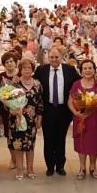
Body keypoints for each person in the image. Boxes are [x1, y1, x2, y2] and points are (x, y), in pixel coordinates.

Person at [34, 48, 80, 176]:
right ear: (48, 58)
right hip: (47, 110)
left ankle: (60, 165)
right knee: (48, 139)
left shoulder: (69, 70)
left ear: (62, 57)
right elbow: (31, 83)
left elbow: (80, 82)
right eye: (51, 57)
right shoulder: (41, 70)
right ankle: (49, 166)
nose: (54, 60)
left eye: (56, 57)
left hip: (64, 110)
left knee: (61, 139)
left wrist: (95, 78)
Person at [67, 59, 97, 180]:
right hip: (81, 119)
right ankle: (82, 167)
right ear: (81, 71)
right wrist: (76, 113)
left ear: (94, 70)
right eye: (85, 68)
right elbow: (70, 101)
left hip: (96, 119)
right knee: (82, 142)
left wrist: (94, 105)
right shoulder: (77, 84)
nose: (87, 70)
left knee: (94, 143)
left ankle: (93, 166)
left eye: (90, 68)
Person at [6, 58, 43, 180]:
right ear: (20, 70)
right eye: (24, 68)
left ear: (33, 70)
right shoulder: (14, 84)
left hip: (31, 120)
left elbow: (40, 103)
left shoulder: (37, 84)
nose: (27, 70)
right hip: (17, 119)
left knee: (30, 145)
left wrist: (39, 118)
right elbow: (6, 102)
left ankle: (30, 168)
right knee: (18, 145)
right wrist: (13, 110)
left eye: (29, 68)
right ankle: (20, 169)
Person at [0, 52, 20, 167]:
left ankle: (20, 160)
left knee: (21, 134)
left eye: (11, 61)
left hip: (21, 110)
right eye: (7, 62)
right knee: (9, 135)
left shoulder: (21, 74)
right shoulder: (1, 76)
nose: (9, 63)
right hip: (7, 111)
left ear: (16, 62)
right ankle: (13, 159)